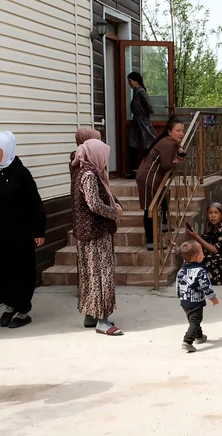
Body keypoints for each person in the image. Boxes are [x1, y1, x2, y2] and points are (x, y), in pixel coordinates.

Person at [0, 131, 46, 329]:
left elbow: (35, 203)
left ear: (7, 149)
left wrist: (39, 230)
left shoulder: (20, 173)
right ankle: (10, 304)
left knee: (20, 271)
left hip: (20, 233)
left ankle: (23, 310)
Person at [71, 138, 125, 336]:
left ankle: (90, 315)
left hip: (87, 232)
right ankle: (102, 320)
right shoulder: (89, 175)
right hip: (96, 232)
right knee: (101, 274)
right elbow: (94, 204)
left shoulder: (82, 171)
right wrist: (114, 212)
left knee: (90, 274)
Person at [136, 116, 186, 251]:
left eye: (183, 131)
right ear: (170, 132)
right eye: (178, 131)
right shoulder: (167, 143)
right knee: (150, 208)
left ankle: (164, 223)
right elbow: (165, 165)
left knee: (165, 194)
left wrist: (179, 149)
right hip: (149, 177)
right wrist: (176, 161)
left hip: (153, 176)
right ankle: (151, 242)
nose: (181, 134)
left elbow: (177, 146)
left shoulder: (170, 141)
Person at [176, 240, 219, 353]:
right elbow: (206, 285)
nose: (204, 255)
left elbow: (178, 285)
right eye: (202, 253)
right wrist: (212, 297)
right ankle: (187, 341)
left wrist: (180, 296)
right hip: (195, 301)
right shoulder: (200, 271)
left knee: (193, 319)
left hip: (184, 301)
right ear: (197, 257)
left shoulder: (181, 271)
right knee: (195, 321)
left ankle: (199, 336)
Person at [127, 72, 160, 178]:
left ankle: (153, 168)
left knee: (149, 142)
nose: (129, 83)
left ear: (135, 81)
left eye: (130, 81)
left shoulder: (141, 91)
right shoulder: (137, 92)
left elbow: (149, 106)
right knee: (133, 144)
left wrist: (145, 116)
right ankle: (135, 170)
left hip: (142, 120)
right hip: (137, 120)